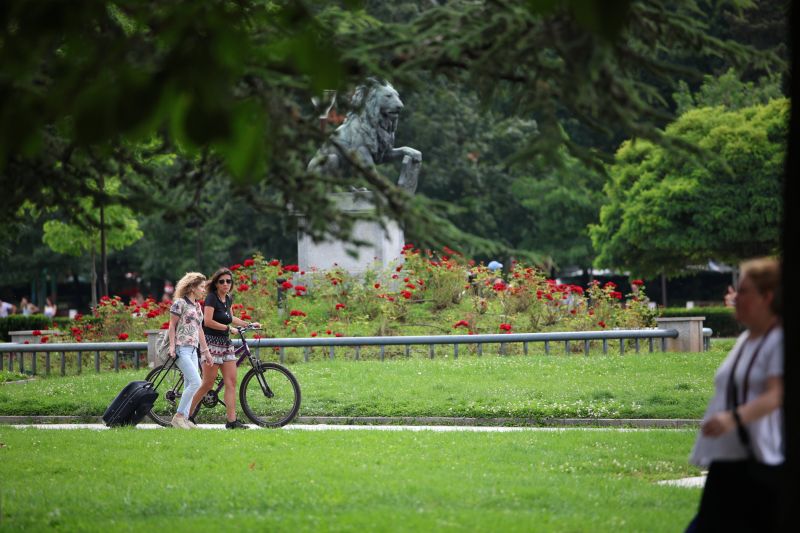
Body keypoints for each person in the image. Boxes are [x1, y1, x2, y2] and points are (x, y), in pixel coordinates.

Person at [686, 257, 783, 532]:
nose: (734, 298)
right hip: (729, 459)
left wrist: (732, 419)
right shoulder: (747, 339)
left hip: (755, 463)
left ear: (767, 297)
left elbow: (778, 394)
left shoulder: (778, 340)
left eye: (743, 291)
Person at [189, 267, 261, 429]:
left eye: (228, 281)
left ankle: (231, 421)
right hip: (211, 343)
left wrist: (248, 324)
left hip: (225, 344)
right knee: (207, 384)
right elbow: (207, 321)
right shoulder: (211, 298)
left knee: (231, 382)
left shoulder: (227, 298)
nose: (225, 284)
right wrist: (228, 329)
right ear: (216, 284)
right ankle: (186, 416)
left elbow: (230, 317)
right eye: (221, 281)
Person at [168, 272, 213, 430]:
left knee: (190, 383)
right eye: (201, 287)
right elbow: (171, 326)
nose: (203, 290)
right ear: (192, 287)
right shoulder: (179, 303)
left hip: (194, 349)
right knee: (196, 382)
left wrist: (206, 352)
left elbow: (199, 329)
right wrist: (172, 347)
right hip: (182, 349)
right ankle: (179, 416)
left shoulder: (197, 306)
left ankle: (185, 419)